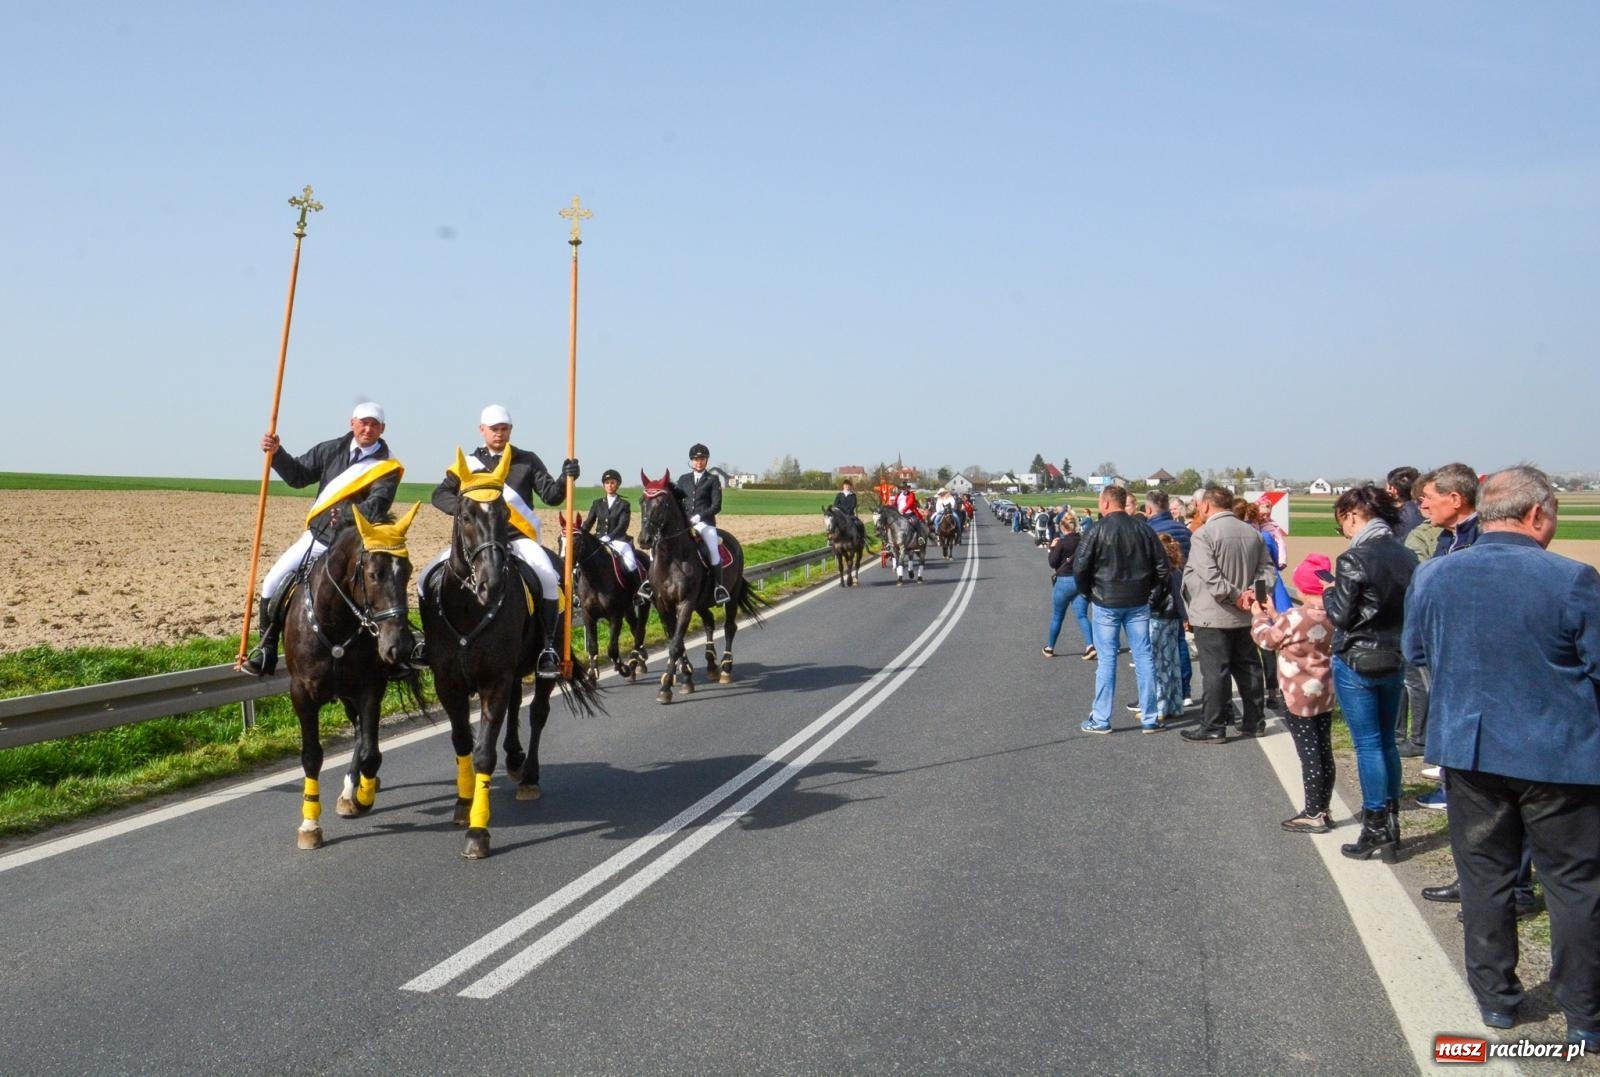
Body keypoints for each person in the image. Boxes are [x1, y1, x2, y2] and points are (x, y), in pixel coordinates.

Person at [1402, 466, 1600, 1048]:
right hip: (1558, 754)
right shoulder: (1571, 579)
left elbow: (1416, 651)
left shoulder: (1435, 576)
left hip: (1470, 747)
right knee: (1573, 884)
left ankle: (1496, 1002)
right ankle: (1584, 1013)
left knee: (1483, 877)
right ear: (1537, 514)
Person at [242, 402, 402, 676]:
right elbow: (298, 476)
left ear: (382, 429)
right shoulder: (329, 450)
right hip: (320, 538)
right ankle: (267, 648)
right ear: (352, 423)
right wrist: (277, 453)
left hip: (361, 544)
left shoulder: (387, 467)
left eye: (374, 424)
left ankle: (396, 654)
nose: (368, 428)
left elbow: (377, 505)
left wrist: (345, 515)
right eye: (363, 422)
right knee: (271, 582)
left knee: (386, 588)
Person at [425, 404, 579, 678]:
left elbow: (551, 496)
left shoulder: (526, 460)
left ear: (510, 430)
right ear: (482, 430)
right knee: (426, 578)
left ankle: (546, 648)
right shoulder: (467, 464)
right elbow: (439, 495)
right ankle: (430, 645)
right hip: (476, 542)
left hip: (517, 539)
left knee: (547, 578)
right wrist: (465, 510)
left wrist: (565, 478)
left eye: (504, 429)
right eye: (494, 429)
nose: (499, 434)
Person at [1323, 483, 1415, 860]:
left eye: (1341, 522)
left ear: (1353, 515)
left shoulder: (1353, 558)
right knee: (1388, 741)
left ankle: (1375, 822)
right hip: (1395, 654)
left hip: (1358, 658)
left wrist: (1329, 591)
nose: (1343, 530)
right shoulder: (1407, 555)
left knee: (1368, 744)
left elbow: (1341, 615)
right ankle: (1391, 819)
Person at [1180, 486, 1275, 743]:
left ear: (1207, 506)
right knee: (1249, 668)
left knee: (1215, 672)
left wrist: (1235, 596)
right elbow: (1268, 569)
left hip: (1212, 613)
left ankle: (1213, 725)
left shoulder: (1203, 535)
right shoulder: (1252, 533)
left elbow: (1211, 576)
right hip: (1244, 616)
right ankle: (1255, 721)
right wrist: (1255, 594)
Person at [1072, 485, 1169, 734]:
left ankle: (1102, 719)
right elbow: (1162, 566)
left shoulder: (1096, 530)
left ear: (1105, 503)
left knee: (1107, 660)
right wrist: (1148, 589)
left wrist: (1087, 592)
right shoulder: (1143, 529)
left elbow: (1080, 567)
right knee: (1144, 657)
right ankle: (1150, 716)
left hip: (1106, 601)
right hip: (1137, 601)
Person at [1252, 554, 1337, 832]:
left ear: (1301, 587)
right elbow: (1301, 633)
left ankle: (1312, 813)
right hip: (1324, 688)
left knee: (1308, 752)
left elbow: (1267, 640)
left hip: (1297, 692)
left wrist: (1258, 618)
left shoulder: (1294, 616)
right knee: (1324, 748)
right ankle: (1324, 807)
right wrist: (1276, 616)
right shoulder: (1332, 614)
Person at [677, 443, 731, 604]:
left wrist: (699, 517)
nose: (699, 462)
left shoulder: (713, 480)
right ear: (691, 461)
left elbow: (716, 506)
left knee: (713, 550)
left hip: (705, 523)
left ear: (706, 461)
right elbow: (678, 501)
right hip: (685, 523)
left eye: (702, 459)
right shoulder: (683, 479)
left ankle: (718, 587)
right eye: (696, 459)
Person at [1144, 532, 1188, 723]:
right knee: (1172, 662)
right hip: (1173, 619)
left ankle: (1160, 707)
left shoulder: (1159, 573)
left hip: (1158, 618)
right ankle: (1174, 704)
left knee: (1157, 664)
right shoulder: (1177, 570)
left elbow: (1153, 598)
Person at [583, 468, 646, 594]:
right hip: (599, 540)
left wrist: (610, 536)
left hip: (619, 541)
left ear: (617, 484)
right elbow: (588, 522)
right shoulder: (597, 504)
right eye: (607, 483)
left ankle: (637, 593)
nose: (609, 485)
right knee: (581, 561)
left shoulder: (624, 504)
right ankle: (577, 593)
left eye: (612, 482)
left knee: (630, 563)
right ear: (603, 485)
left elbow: (623, 525)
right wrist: (580, 533)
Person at [1043, 513, 1094, 659]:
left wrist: (1051, 548)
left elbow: (1052, 563)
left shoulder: (1061, 543)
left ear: (1062, 527)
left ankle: (1050, 647)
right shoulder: (1083, 541)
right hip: (1080, 581)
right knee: (1082, 615)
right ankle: (1090, 645)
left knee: (1058, 617)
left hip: (1063, 581)